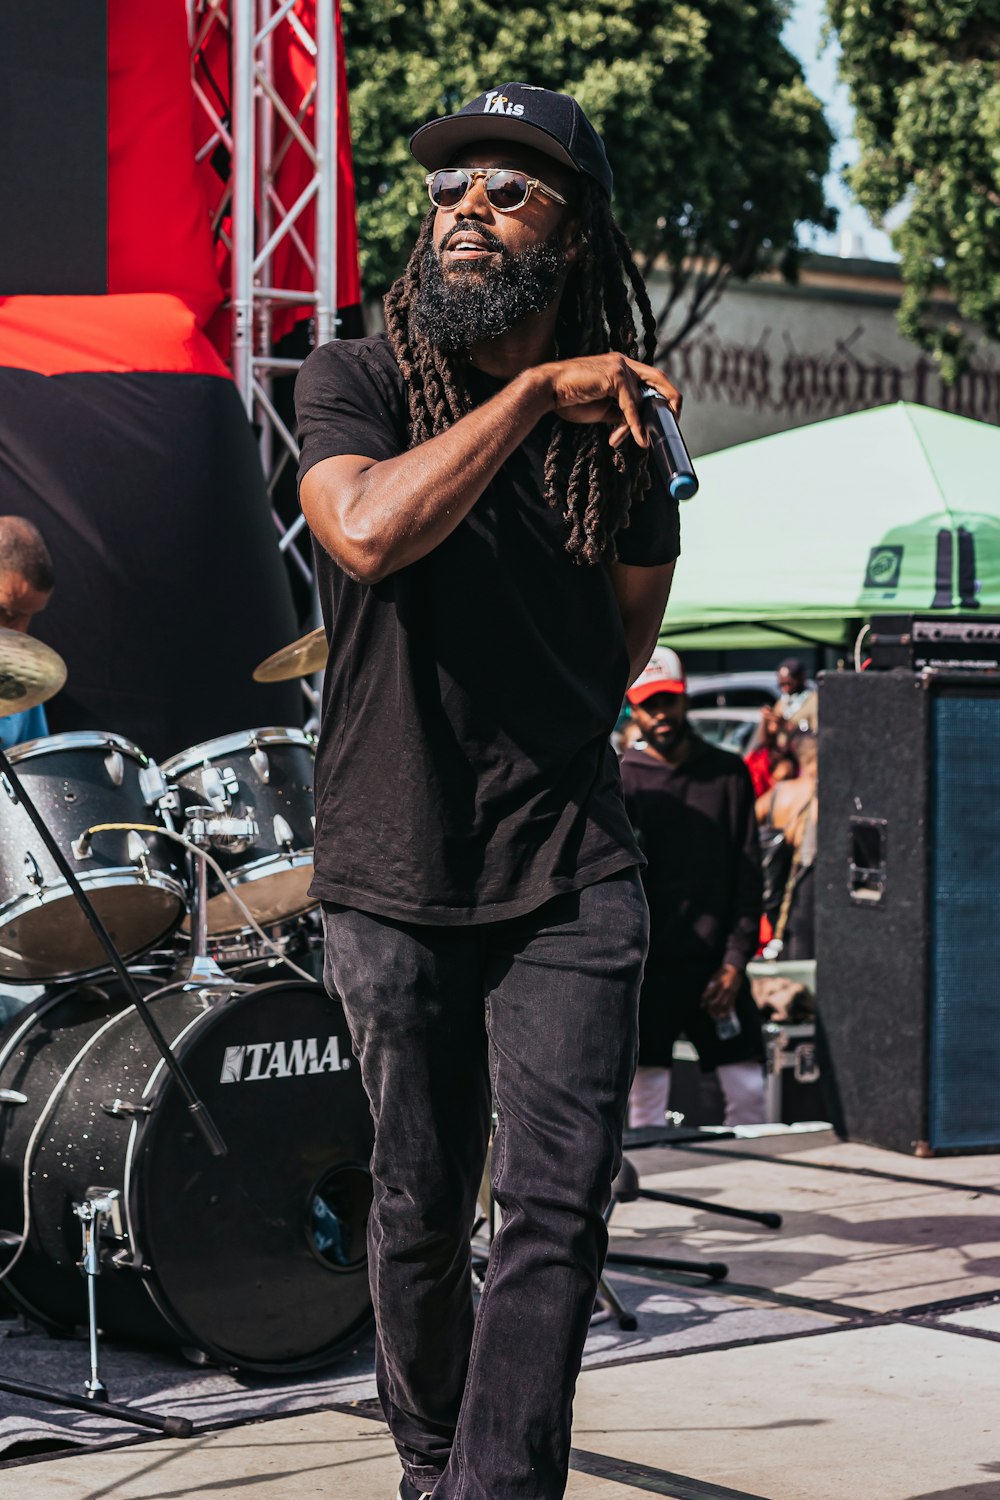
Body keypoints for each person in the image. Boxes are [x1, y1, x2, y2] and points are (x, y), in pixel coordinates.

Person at [295, 82, 682, 1500]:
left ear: (571, 240)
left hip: (571, 860)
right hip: (393, 857)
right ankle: (428, 1465)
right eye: (453, 183)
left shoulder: (625, 439)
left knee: (557, 1211)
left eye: (511, 188)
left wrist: (578, 420)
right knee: (414, 1208)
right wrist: (528, 399)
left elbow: (625, 640)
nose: (468, 204)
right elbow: (369, 531)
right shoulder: (353, 377)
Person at [620, 648, 766, 1129]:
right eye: (649, 704)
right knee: (645, 1102)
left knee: (749, 1091)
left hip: (714, 963)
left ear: (685, 701)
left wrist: (734, 961)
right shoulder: (623, 778)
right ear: (633, 709)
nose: (661, 714)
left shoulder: (728, 772)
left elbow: (749, 872)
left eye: (669, 701)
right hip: (649, 965)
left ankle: (751, 1185)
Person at [0, 516, 55, 749]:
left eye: (29, 617)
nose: (20, 633)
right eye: (8, 615)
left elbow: (33, 776)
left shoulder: (20, 673)